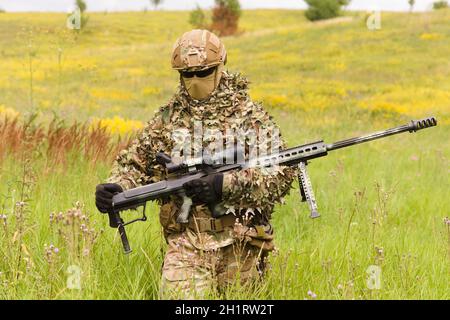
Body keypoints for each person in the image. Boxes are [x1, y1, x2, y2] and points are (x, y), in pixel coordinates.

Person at [95, 29, 295, 299]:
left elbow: (280, 174)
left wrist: (225, 185)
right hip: (187, 244)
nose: (194, 80)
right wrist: (117, 187)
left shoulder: (250, 117)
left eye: (203, 73)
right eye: (187, 74)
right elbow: (135, 163)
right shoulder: (167, 119)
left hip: (243, 242)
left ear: (219, 67)